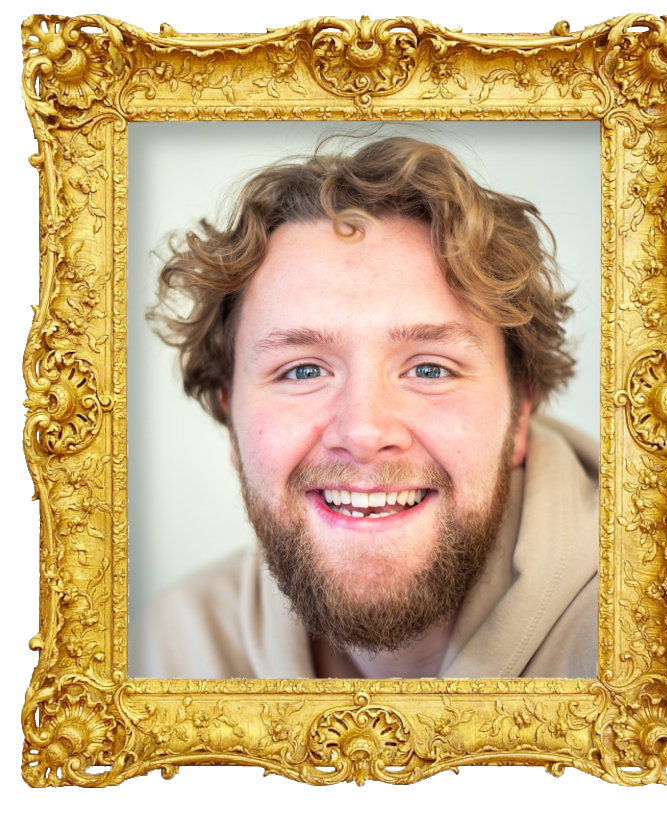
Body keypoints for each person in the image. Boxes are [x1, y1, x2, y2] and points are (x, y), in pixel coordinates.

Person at [130, 136, 599, 680]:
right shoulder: (171, 654)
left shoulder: (645, 641)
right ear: (230, 414)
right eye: (303, 370)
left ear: (519, 414)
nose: (363, 431)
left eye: (429, 369)